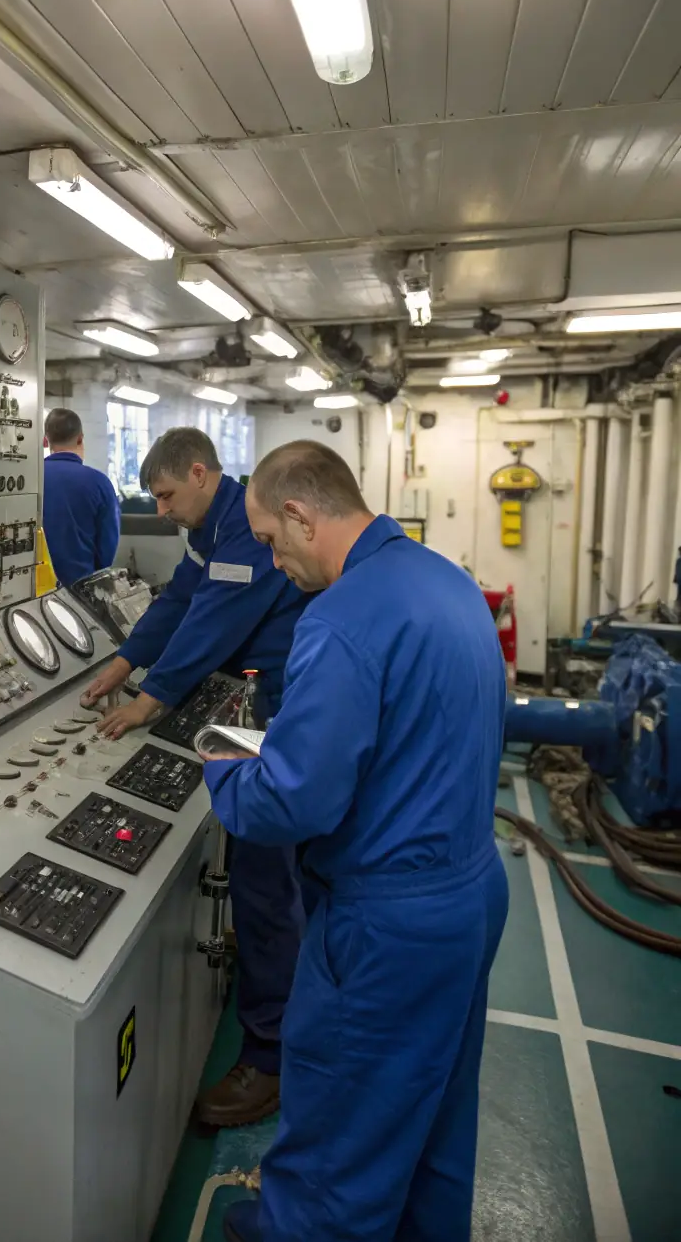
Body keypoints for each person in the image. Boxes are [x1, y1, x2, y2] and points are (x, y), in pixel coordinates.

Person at [202, 441, 509, 1242]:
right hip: (470, 892)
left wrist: (219, 758)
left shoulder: (340, 619)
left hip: (386, 924)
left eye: (272, 539)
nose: (272, 560)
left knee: (340, 1135)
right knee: (432, 1116)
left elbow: (290, 798)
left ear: (303, 517)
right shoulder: (449, 581)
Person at [83, 428, 309, 1126]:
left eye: (167, 493)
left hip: (282, 706)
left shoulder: (244, 530)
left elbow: (215, 620)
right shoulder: (211, 533)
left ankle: (269, 1059)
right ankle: (268, 974)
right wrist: (122, 666)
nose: (162, 507)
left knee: (265, 881)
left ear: (201, 473)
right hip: (261, 700)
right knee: (253, 868)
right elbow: (178, 602)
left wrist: (152, 700)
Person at [42, 407, 120, 587]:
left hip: (33, 590)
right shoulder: (100, 483)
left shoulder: (30, 479)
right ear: (80, 438)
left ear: (46, 441)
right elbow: (107, 547)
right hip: (81, 590)